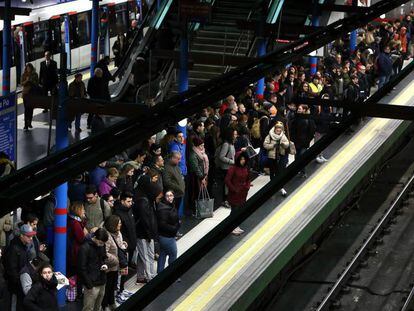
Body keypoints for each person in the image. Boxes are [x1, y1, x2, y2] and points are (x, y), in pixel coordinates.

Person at [3, 224, 37, 311]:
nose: (31, 238)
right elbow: (11, 270)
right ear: (21, 235)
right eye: (28, 236)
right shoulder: (14, 249)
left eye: (32, 236)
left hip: (20, 282)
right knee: (14, 304)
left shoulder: (23, 246)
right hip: (15, 285)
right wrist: (20, 282)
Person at [134, 179, 162, 283]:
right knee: (147, 256)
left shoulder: (144, 200)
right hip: (144, 234)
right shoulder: (144, 202)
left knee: (142, 256)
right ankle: (151, 278)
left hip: (144, 233)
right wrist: (150, 235)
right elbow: (146, 221)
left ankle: (141, 276)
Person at [78, 228, 109, 311]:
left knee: (98, 307)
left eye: (103, 243)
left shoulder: (102, 245)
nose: (101, 245)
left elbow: (103, 257)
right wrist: (89, 285)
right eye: (100, 243)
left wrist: (104, 264)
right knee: (88, 308)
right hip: (91, 283)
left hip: (102, 280)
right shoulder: (84, 248)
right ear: (95, 237)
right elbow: (81, 268)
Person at [103, 215, 130, 307]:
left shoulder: (118, 233)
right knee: (107, 287)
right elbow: (104, 253)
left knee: (113, 287)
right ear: (113, 224)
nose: (120, 225)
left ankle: (112, 302)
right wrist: (116, 259)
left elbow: (118, 245)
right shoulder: (106, 236)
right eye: (119, 223)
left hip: (116, 267)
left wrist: (123, 244)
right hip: (109, 267)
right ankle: (105, 305)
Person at [225, 152, 251, 235]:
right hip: (234, 194)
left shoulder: (246, 168)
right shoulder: (232, 168)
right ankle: (231, 227)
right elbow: (227, 180)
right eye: (241, 159)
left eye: (244, 159)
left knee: (239, 210)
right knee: (234, 210)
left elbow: (248, 179)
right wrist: (234, 189)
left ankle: (235, 225)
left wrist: (247, 187)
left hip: (243, 193)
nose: (243, 161)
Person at [263, 122, 290, 196]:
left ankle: (281, 187)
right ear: (274, 129)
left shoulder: (282, 136)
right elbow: (265, 145)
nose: (278, 132)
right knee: (272, 172)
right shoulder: (270, 136)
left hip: (280, 156)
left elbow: (287, 143)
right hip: (272, 157)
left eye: (279, 131)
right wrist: (272, 145)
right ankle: (272, 187)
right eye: (277, 130)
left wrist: (284, 144)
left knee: (279, 172)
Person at [289, 104, 316, 177]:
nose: (298, 110)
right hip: (297, 142)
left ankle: (303, 171)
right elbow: (292, 129)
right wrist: (292, 139)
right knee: (297, 156)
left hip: (304, 142)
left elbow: (312, 131)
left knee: (301, 156)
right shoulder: (296, 118)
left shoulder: (309, 119)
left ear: (304, 110)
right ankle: (298, 170)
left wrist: (308, 140)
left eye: (300, 109)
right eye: (298, 108)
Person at [156, 190, 180, 273]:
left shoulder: (168, 205)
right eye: (167, 196)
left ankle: (159, 273)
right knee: (173, 254)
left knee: (163, 254)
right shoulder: (163, 209)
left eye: (171, 195)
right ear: (164, 197)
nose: (169, 197)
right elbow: (162, 224)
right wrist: (175, 228)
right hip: (167, 237)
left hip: (164, 236)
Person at [112, 192, 137, 264]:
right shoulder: (117, 213)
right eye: (128, 201)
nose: (131, 203)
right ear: (122, 201)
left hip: (132, 242)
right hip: (124, 244)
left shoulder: (129, 210)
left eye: (131, 201)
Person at [188, 138, 209, 213]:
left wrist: (205, 176)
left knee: (201, 192)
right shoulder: (193, 155)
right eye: (201, 145)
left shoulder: (202, 152)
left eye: (203, 145)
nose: (202, 147)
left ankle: (201, 208)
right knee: (196, 193)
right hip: (196, 177)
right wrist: (202, 177)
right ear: (196, 146)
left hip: (203, 176)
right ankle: (196, 210)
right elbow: (195, 168)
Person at [21, 63, 39, 131]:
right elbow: (22, 83)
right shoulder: (24, 75)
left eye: (29, 68)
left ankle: (29, 122)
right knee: (26, 109)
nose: (28, 70)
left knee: (31, 109)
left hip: (32, 94)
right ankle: (26, 125)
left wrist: (31, 81)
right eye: (27, 68)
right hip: (25, 94)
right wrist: (26, 80)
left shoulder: (35, 74)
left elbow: (37, 83)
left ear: (31, 68)